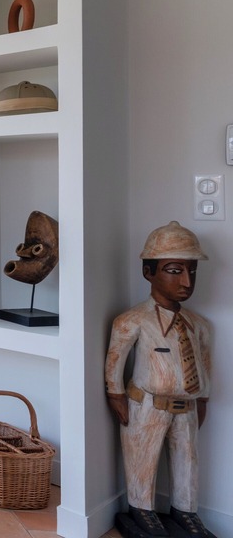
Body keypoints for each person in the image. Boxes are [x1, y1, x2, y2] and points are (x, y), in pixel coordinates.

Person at [105, 221, 215, 538]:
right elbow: (115, 359)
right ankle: (142, 510)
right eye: (174, 270)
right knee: (143, 458)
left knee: (188, 460)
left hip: (188, 406)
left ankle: (186, 511)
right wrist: (116, 395)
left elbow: (206, 364)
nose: (186, 281)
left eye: (191, 271)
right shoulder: (132, 320)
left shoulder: (200, 325)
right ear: (149, 272)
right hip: (147, 405)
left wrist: (203, 398)